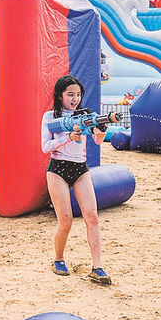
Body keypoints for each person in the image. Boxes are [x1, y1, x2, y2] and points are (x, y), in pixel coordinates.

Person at [41, 75, 111, 285]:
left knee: (93, 217)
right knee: (66, 221)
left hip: (80, 168)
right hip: (58, 169)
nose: (75, 99)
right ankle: (58, 259)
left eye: (78, 95)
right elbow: (45, 147)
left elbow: (98, 141)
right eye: (70, 94)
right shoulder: (50, 117)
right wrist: (67, 137)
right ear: (60, 95)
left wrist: (100, 132)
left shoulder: (86, 115)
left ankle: (97, 267)